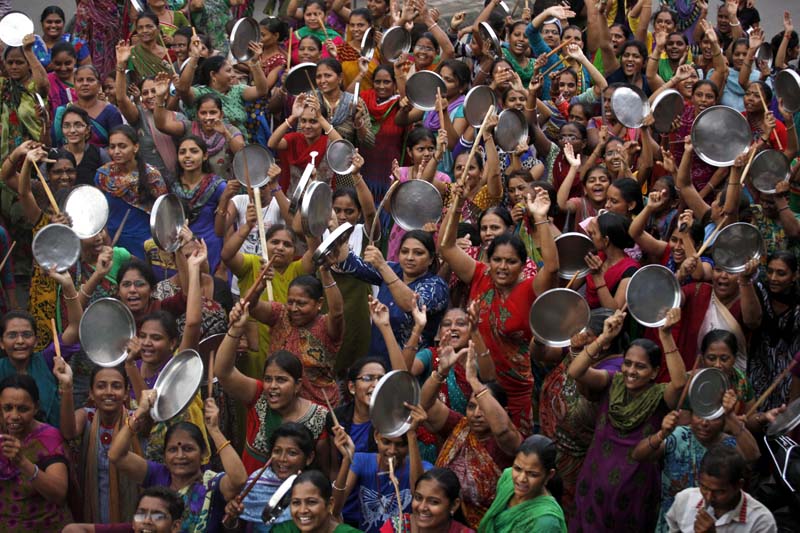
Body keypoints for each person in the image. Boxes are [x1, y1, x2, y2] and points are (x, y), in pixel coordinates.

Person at [439, 187, 559, 434]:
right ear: (489, 260)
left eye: (511, 261)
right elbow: (447, 248)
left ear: (522, 264)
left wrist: (540, 217)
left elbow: (552, 268)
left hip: (515, 390)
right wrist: (458, 205)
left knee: (511, 451)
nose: (503, 267)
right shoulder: (480, 275)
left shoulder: (529, 289)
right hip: (477, 382)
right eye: (497, 260)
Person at [568, 308, 688, 531]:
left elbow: (680, 384)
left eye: (641, 366)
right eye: (628, 363)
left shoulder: (660, 396)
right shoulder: (612, 381)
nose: (631, 371)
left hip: (635, 488)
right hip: (594, 480)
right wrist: (605, 337)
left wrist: (666, 336)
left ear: (654, 372)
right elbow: (576, 371)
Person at [109, 391, 247, 532]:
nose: (180, 456)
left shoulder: (213, 485)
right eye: (173, 450)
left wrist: (214, 430)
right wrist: (140, 411)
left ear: (203, 453)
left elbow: (239, 479)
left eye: (188, 449)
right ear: (164, 455)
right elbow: (116, 455)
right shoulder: (158, 475)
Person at [215, 304, 329, 473]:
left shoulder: (319, 417)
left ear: (297, 385)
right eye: (268, 379)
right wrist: (236, 330)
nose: (273, 386)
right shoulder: (259, 395)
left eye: (281, 380)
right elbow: (223, 372)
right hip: (250, 494)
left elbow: (325, 469)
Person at [421, 344, 521, 529]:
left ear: (503, 411)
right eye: (472, 406)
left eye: (484, 408)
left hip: (490, 525)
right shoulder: (460, 426)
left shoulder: (507, 442)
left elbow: (502, 430)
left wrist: (474, 381)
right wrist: (441, 372)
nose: (476, 414)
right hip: (446, 521)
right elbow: (425, 405)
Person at [538, 309, 624, 521]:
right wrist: (540, 328)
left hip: (580, 463)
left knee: (571, 515)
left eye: (585, 333)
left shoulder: (615, 368)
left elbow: (580, 374)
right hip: (552, 451)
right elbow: (539, 353)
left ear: (604, 342)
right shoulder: (577, 350)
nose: (576, 337)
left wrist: (584, 348)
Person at [336, 230, 448, 366]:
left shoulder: (436, 286)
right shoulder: (393, 269)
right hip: (377, 362)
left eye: (418, 253)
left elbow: (411, 305)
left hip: (411, 367)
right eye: (405, 251)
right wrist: (336, 232)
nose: (410, 257)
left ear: (431, 259)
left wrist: (382, 266)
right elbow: (349, 263)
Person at [53, 362, 141, 524]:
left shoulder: (135, 421)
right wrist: (67, 386)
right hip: (93, 509)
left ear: (126, 393)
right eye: (101, 386)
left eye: (116, 386)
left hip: (131, 511)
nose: (109, 392)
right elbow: (68, 432)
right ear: (91, 393)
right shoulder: (86, 416)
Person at [0, 267, 82, 428]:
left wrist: (68, 286)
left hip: (50, 445)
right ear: (1, 342)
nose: (20, 341)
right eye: (12, 335)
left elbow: (76, 327)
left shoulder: (48, 359)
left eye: (27, 335)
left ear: (37, 341)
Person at [248, 270, 345, 406]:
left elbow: (338, 313)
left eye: (301, 303)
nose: (293, 308)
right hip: (279, 405)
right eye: (290, 302)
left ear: (319, 303)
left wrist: (325, 272)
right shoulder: (280, 316)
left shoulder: (326, 327)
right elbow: (250, 306)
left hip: (318, 408)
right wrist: (260, 286)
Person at [331, 403, 431, 533]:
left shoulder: (423, 468)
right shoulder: (361, 461)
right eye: (386, 442)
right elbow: (335, 509)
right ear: (376, 436)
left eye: (401, 445)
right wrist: (346, 459)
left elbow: (419, 492)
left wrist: (411, 433)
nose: (392, 450)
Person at [0, 374, 72, 530]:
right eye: (7, 408)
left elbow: (59, 494)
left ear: (36, 407)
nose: (14, 416)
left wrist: (23, 463)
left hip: (44, 527)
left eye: (23, 409)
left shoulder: (48, 438)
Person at [225, 423, 317, 532]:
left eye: (292, 453)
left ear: (309, 458)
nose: (282, 459)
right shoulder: (257, 482)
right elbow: (238, 528)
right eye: (277, 451)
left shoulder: (316, 487)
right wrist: (232, 517)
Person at [94, 125, 169, 259]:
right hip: (112, 241)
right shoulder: (103, 176)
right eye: (112, 147)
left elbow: (164, 213)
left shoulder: (152, 177)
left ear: (135, 147)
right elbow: (99, 212)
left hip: (144, 242)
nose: (116, 151)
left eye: (122, 146)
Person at [665, 445, 777, 532]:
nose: (708, 497)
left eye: (719, 491)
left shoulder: (760, 521)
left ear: (739, 485)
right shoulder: (685, 500)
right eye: (704, 487)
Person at [115, 42, 179, 183]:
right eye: (145, 93)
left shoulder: (178, 118)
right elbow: (121, 99)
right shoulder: (139, 117)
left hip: (177, 184)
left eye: (154, 91)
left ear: (165, 93)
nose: (150, 96)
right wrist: (121, 66)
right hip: (149, 184)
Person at [477, 435, 567, 533]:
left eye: (532, 474)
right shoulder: (507, 478)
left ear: (549, 475)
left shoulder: (546, 522)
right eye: (517, 469)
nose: (521, 479)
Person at [380, 468, 475, 533]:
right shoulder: (396, 528)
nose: (422, 507)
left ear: (454, 505)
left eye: (434, 502)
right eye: (418, 498)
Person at [1, 36, 49, 160]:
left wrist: (28, 51)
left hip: (32, 153)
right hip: (5, 155)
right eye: (10, 62)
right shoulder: (4, 86)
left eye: (19, 62)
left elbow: (44, 83)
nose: (14, 66)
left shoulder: (34, 88)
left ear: (28, 64)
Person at [52, 66, 124, 148]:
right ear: (74, 84)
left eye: (90, 80)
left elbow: (117, 144)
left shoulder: (110, 111)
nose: (85, 83)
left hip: (103, 159)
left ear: (99, 85)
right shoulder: (63, 111)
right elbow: (54, 144)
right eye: (80, 80)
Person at [271, 470, 362, 533]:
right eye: (296, 503)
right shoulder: (284, 530)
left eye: (311, 502)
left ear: (330, 504)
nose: (303, 510)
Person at [32, 6, 92, 71]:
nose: (53, 25)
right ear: (42, 24)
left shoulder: (77, 44)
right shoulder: (31, 45)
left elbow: (87, 72)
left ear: (63, 23)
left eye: (57, 22)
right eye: (49, 22)